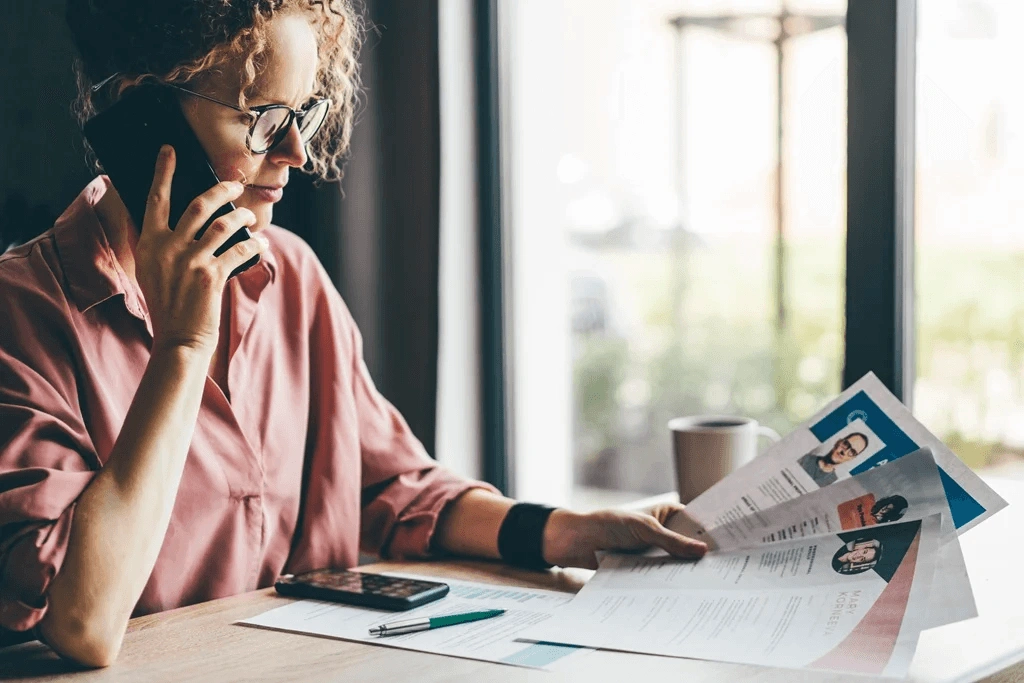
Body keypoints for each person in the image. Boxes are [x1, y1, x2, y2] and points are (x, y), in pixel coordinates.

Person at [0, 1, 707, 668]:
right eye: (263, 117)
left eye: (303, 111)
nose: (297, 151)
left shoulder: (293, 280)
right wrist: (183, 346)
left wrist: (573, 531)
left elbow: (398, 489)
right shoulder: (24, 313)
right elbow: (82, 620)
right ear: (147, 114)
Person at [796, 432, 869, 487]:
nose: (844, 452)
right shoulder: (804, 458)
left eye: (852, 452)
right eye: (846, 444)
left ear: (852, 458)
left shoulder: (833, 483)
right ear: (839, 442)